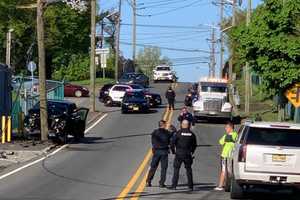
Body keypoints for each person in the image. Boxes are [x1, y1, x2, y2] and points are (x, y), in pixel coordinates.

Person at [169, 120, 197, 191]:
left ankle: (174, 186)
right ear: (188, 125)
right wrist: (192, 151)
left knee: (176, 169)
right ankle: (190, 186)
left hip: (179, 154)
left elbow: (172, 143)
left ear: (182, 125)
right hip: (187, 154)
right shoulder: (191, 134)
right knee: (188, 170)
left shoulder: (178, 133)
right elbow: (194, 144)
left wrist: (173, 151)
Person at [146, 120, 172, 188]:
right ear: (163, 125)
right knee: (164, 168)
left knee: (153, 167)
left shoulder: (155, 132)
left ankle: (148, 181)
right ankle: (161, 183)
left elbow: (152, 141)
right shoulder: (167, 133)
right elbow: (171, 139)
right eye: (165, 124)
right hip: (164, 152)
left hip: (156, 151)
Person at [214, 121, 238, 191]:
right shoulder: (230, 135)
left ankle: (220, 185)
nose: (225, 129)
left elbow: (227, 140)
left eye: (226, 128)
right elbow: (220, 142)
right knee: (226, 170)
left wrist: (226, 139)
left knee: (225, 171)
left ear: (230, 128)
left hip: (227, 156)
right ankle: (226, 184)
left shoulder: (234, 134)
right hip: (225, 155)